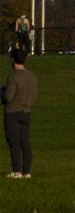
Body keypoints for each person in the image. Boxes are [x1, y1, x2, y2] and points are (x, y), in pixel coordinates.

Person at [4, 49, 36, 178]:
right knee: (25, 142)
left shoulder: (14, 76)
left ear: (13, 60)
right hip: (26, 111)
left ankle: (17, 171)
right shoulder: (31, 76)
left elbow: (8, 97)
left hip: (12, 112)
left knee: (14, 142)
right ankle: (27, 171)